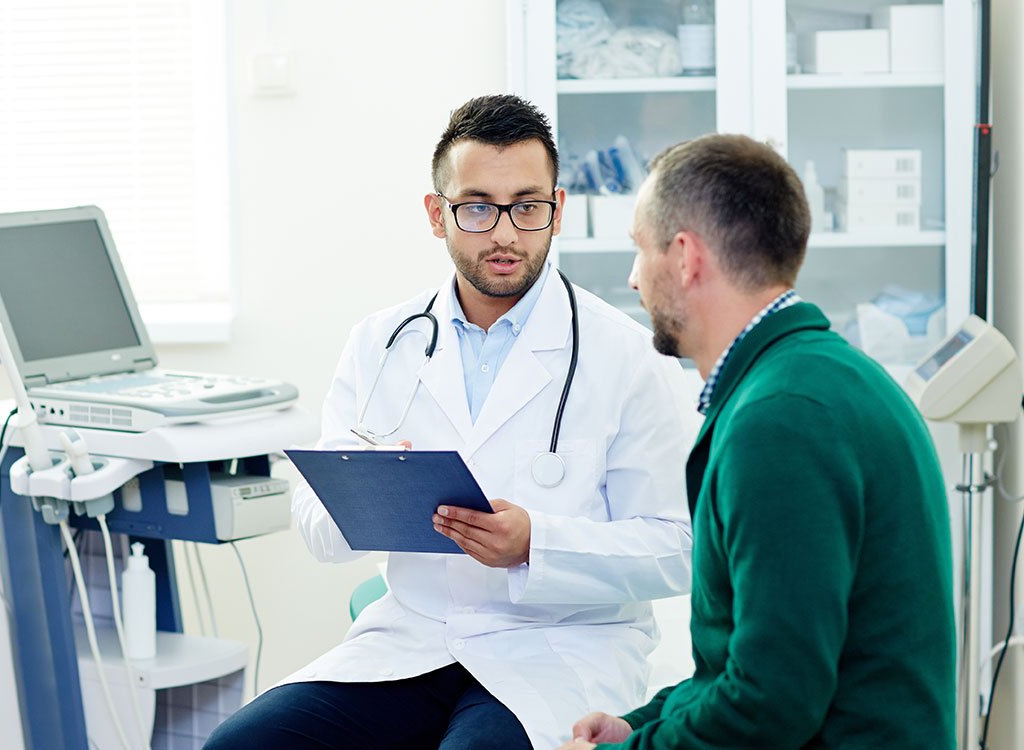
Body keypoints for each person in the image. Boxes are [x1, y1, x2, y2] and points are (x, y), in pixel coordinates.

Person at [204, 95, 695, 749]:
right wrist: (367, 498)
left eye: (527, 206)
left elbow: (678, 546)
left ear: (558, 208)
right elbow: (317, 527)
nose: (505, 233)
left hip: (559, 650)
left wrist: (536, 545)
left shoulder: (626, 354)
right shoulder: (381, 343)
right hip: (412, 642)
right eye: (477, 207)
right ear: (437, 215)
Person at [561, 133, 955, 749]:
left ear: (686, 257)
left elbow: (770, 703)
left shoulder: (780, 422)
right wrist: (637, 727)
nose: (633, 278)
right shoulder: (824, 377)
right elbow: (741, 669)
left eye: (640, 249)